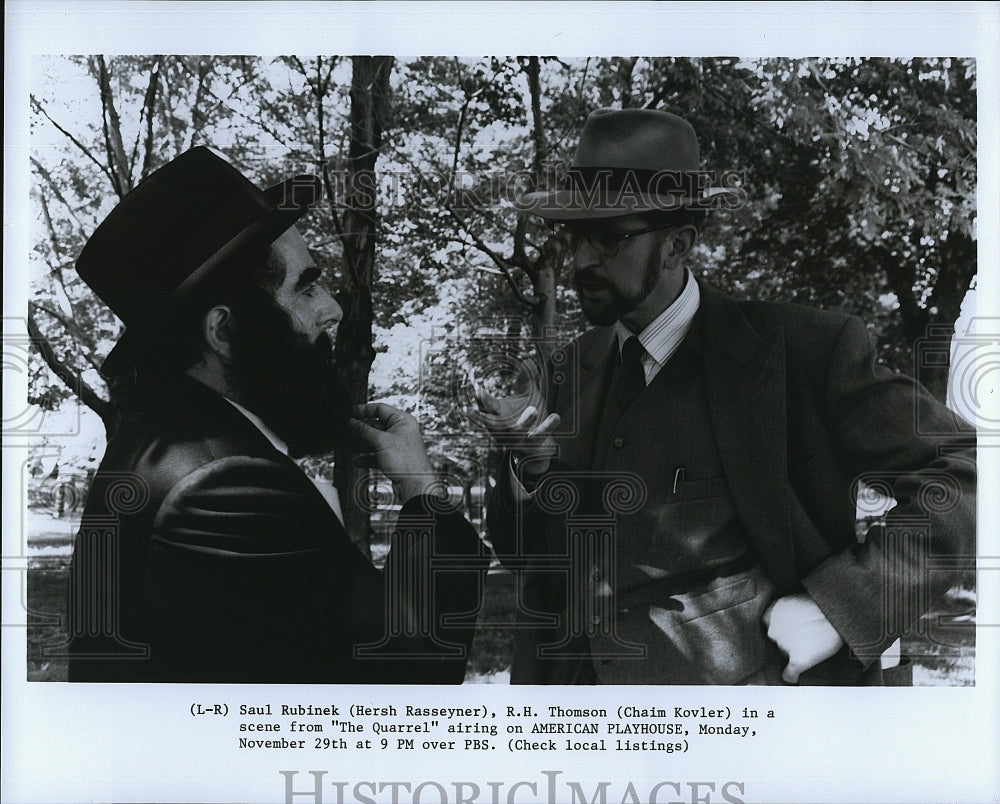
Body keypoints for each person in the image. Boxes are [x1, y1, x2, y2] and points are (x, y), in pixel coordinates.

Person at [483, 108, 976, 685]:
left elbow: (967, 473)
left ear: (677, 244)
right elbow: (524, 556)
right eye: (574, 237)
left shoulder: (806, 352)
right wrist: (529, 475)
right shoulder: (563, 373)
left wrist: (841, 608)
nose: (582, 260)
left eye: (610, 237)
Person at [66, 146, 486, 683]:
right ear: (224, 331)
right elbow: (409, 672)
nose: (332, 308)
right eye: (305, 287)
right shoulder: (228, 486)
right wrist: (422, 490)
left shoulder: (161, 444)